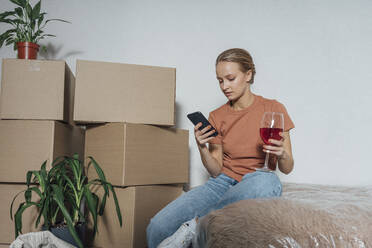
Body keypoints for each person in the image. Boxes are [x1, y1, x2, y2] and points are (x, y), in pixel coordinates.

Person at [146, 48, 295, 248]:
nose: (224, 86)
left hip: (257, 179)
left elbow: (287, 167)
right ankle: (202, 224)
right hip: (222, 183)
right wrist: (202, 148)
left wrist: (283, 154)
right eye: (220, 80)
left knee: (267, 182)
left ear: (248, 75)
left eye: (230, 78)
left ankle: (198, 225)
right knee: (156, 228)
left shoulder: (273, 108)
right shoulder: (217, 115)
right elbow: (216, 170)